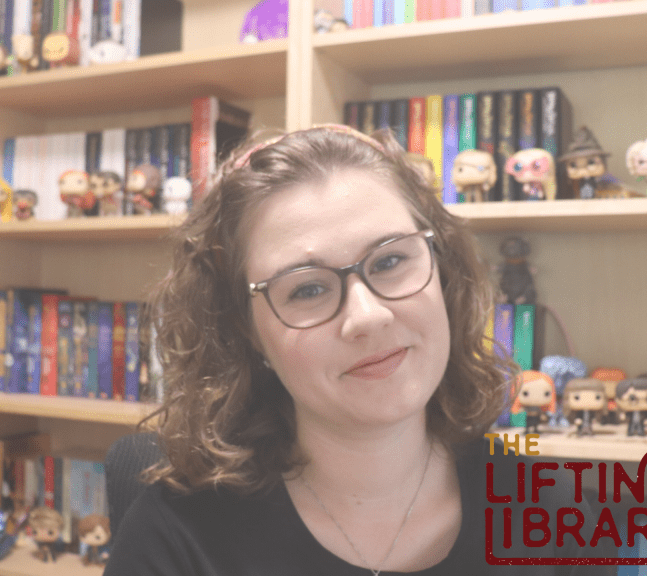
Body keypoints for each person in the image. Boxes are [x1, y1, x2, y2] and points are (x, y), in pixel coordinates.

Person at [103, 124, 610, 575]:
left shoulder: (548, 507)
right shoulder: (175, 535)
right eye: (307, 289)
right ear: (246, 331)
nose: (368, 316)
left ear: (443, 270)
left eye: (390, 261)